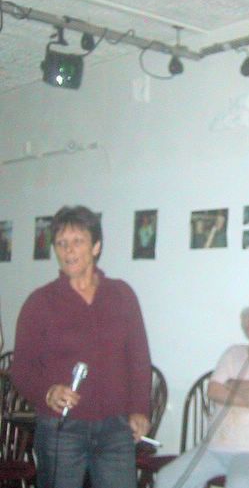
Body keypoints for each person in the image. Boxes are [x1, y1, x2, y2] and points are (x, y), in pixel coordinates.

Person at [11, 205, 152, 488]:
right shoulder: (40, 303)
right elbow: (21, 369)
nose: (68, 250)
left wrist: (140, 409)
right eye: (61, 243)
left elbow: (138, 358)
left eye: (77, 241)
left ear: (96, 246)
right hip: (61, 429)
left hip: (115, 428)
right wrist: (47, 392)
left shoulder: (122, 295)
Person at [156, 299, 249, 488]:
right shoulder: (233, 353)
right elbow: (213, 390)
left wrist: (230, 383)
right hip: (215, 447)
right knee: (167, 478)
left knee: (242, 483)